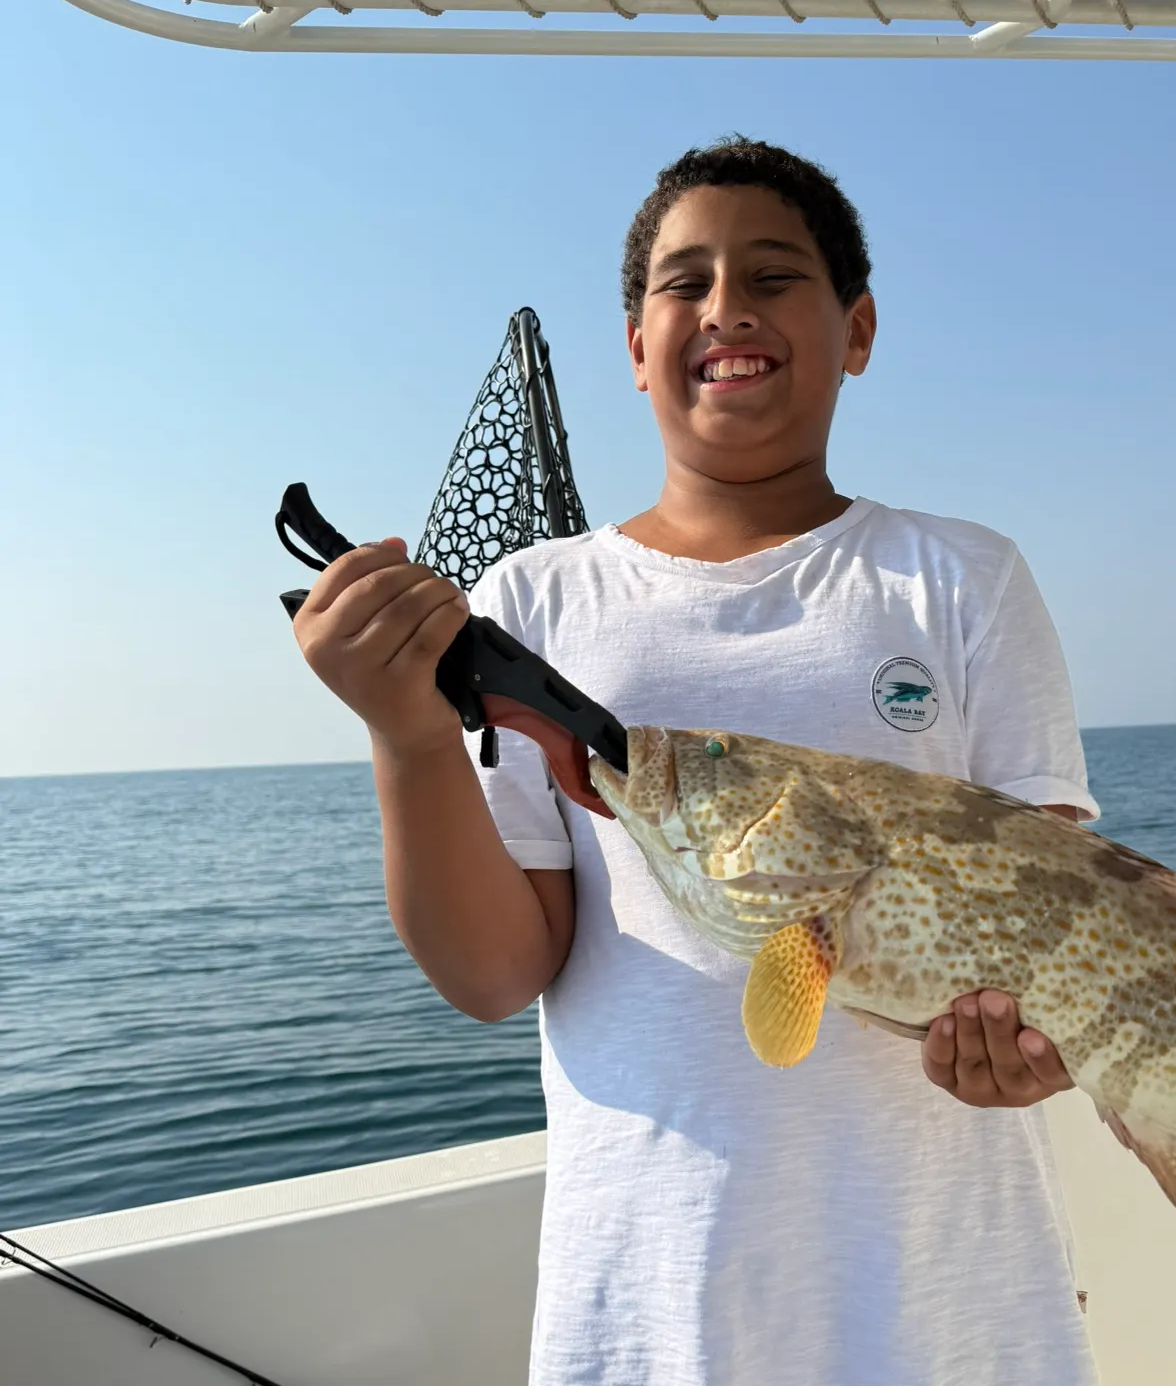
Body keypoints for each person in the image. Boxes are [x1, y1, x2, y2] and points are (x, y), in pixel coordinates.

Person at [294, 138, 1100, 1385]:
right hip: (649, 1304)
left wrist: (1032, 1050)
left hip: (954, 1303)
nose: (726, 305)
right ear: (633, 346)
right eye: (684, 283)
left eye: (774, 275)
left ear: (858, 328)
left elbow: (1068, 920)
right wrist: (406, 736)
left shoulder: (962, 579)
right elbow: (501, 972)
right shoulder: (534, 601)